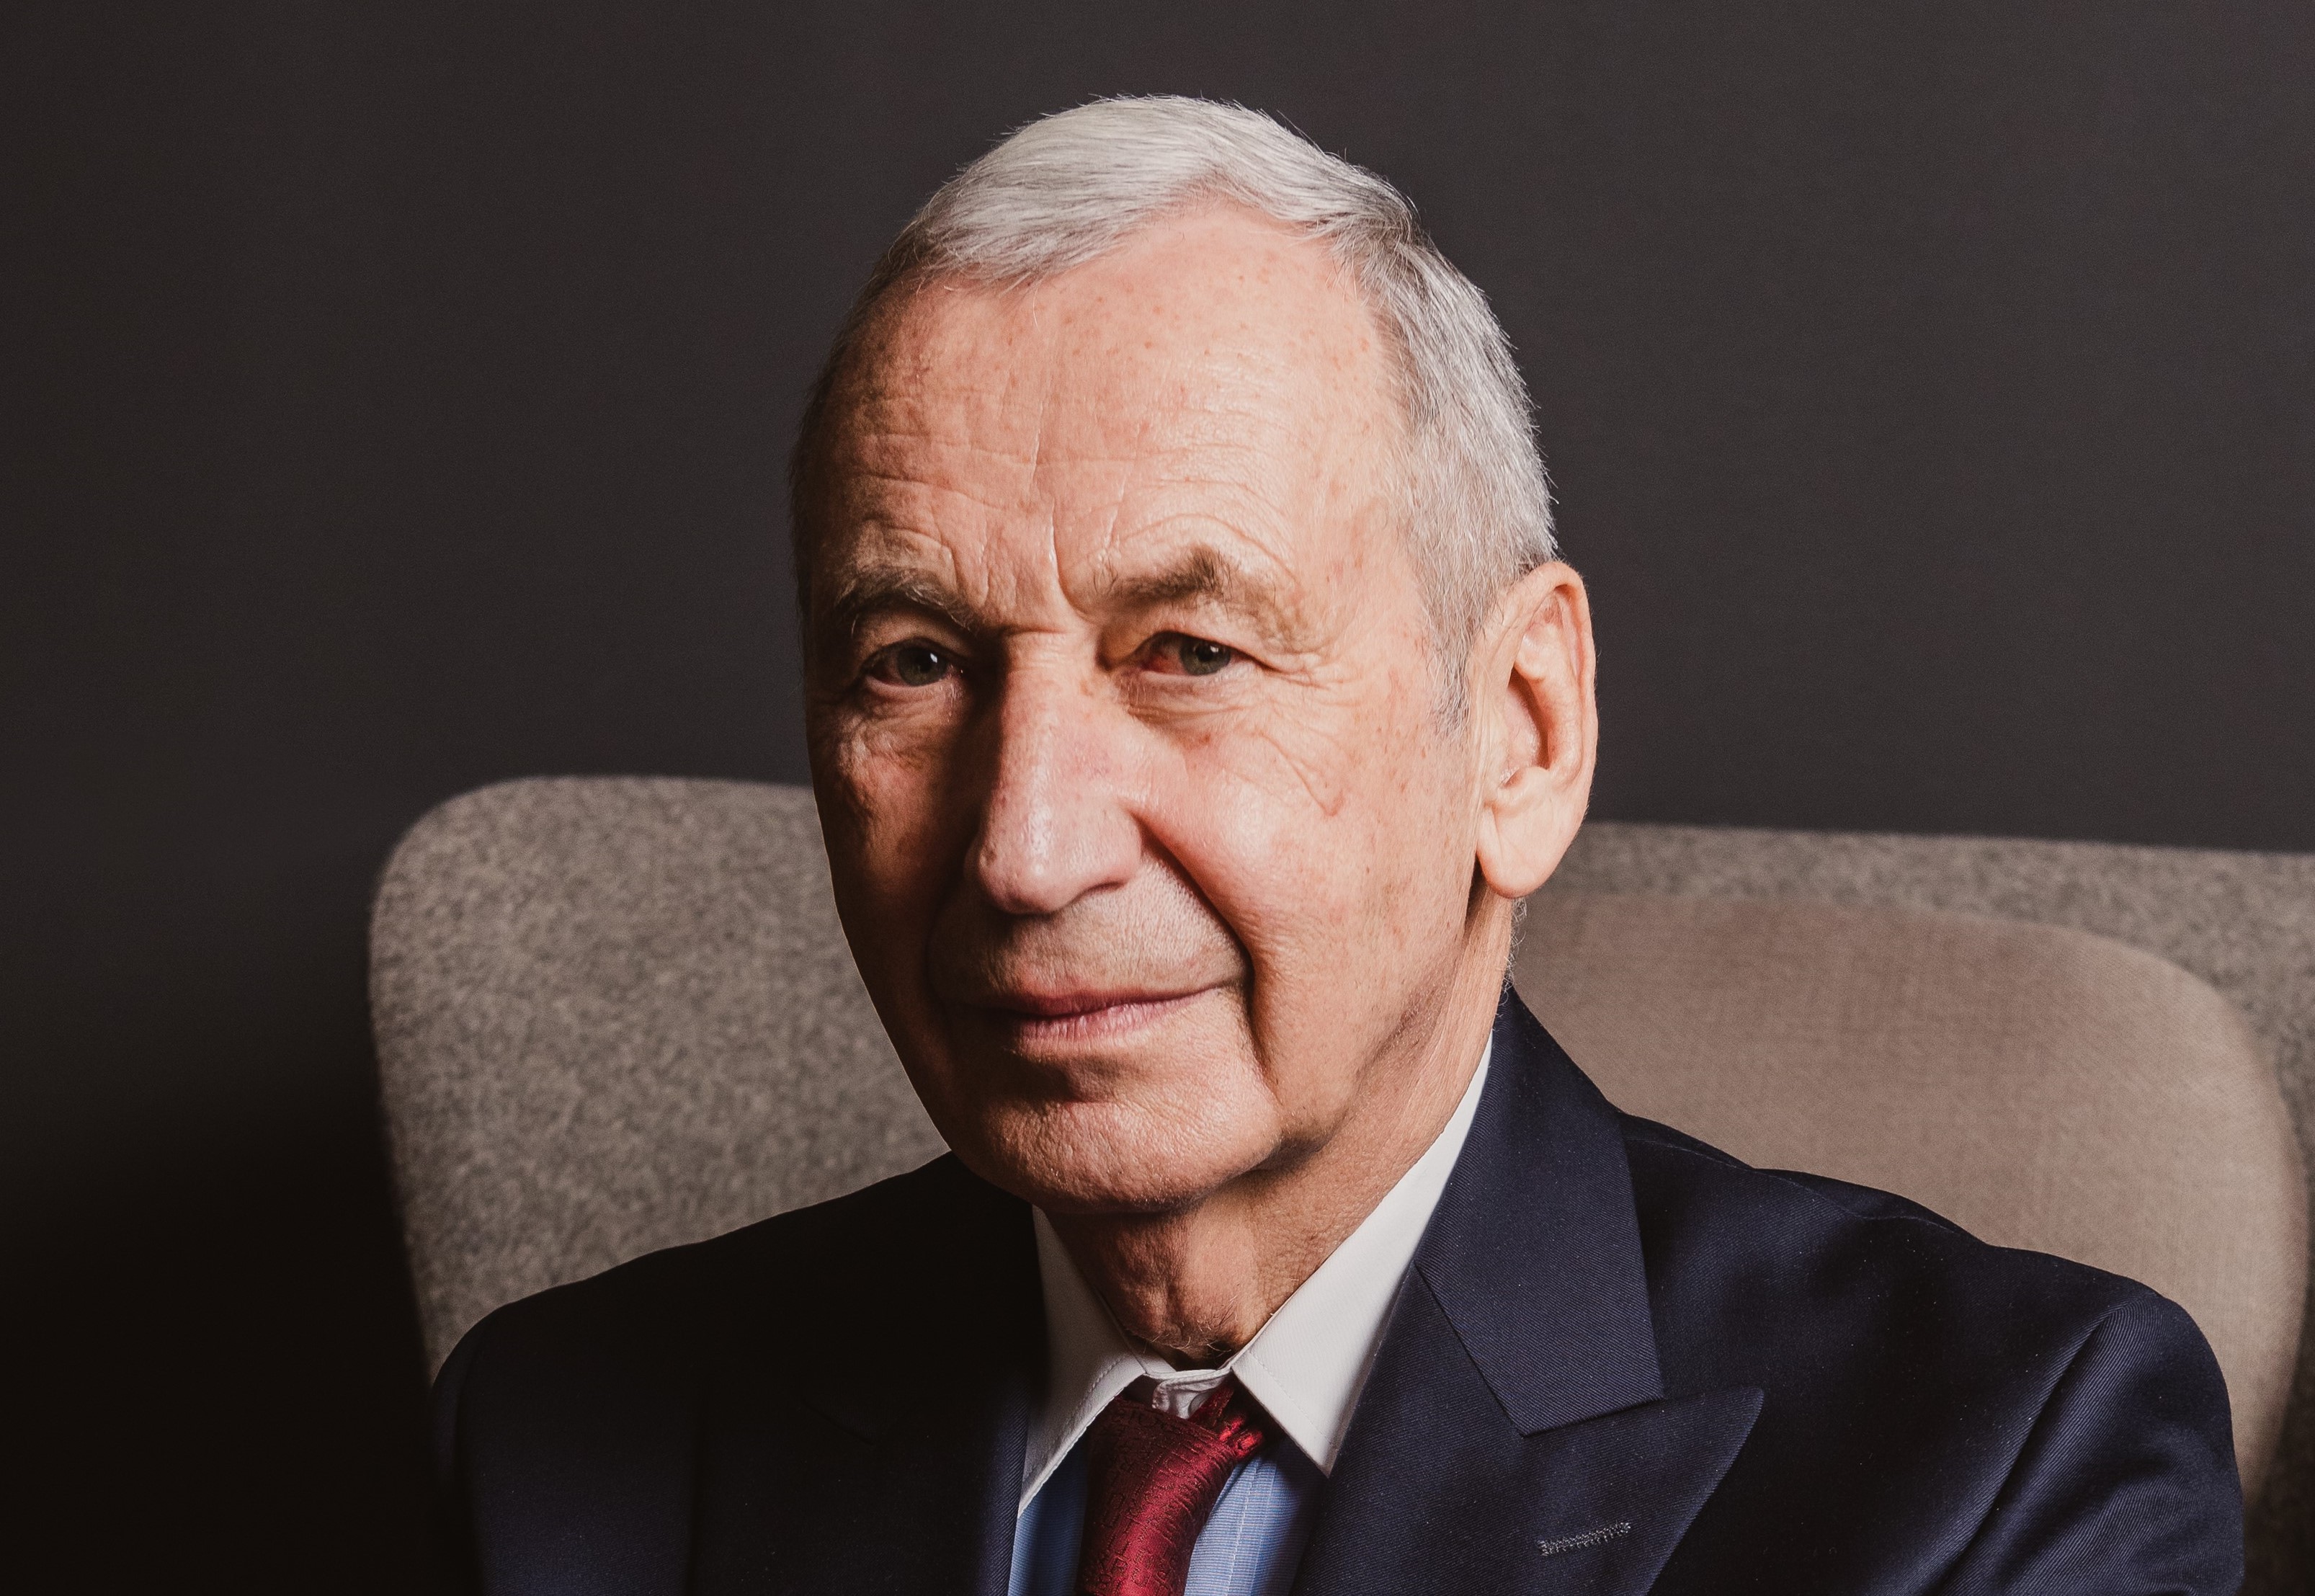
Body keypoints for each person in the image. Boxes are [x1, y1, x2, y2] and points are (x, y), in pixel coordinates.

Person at [429, 97, 2242, 1595]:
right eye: (913, 662)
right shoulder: (561, 1455)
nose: (1025, 848)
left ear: (1519, 732)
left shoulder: (2001, 1463)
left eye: (1189, 652)